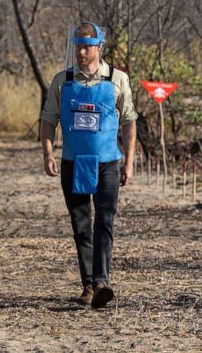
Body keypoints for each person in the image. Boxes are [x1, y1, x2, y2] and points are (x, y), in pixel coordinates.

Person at [39, 22, 137, 309]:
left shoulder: (117, 79)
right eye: (78, 46)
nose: (82, 51)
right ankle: (88, 286)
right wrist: (48, 153)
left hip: (108, 163)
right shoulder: (63, 81)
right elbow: (48, 119)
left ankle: (102, 281)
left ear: (99, 47)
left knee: (104, 221)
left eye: (88, 46)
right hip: (73, 163)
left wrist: (128, 163)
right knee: (81, 225)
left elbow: (130, 120)